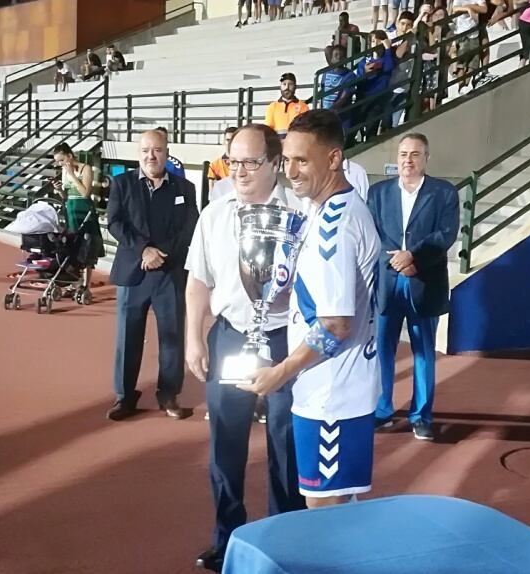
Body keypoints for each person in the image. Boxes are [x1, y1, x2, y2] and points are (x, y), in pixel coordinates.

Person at [241, 110, 381, 508]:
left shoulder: (334, 224)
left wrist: (279, 374)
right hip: (327, 390)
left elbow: (336, 324)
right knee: (334, 514)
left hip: (332, 397)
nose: (291, 170)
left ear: (334, 159)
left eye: (303, 160)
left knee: (326, 519)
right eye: (287, 159)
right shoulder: (323, 211)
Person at [186, 124, 306, 573]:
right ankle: (227, 537)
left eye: (250, 162)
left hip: (285, 337)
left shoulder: (301, 212)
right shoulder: (215, 214)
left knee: (286, 439)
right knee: (225, 443)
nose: (239, 170)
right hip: (231, 334)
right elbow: (198, 281)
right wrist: (195, 337)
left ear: (275, 164)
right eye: (233, 161)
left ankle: (284, 538)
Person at [365, 133, 459, 441]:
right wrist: (394, 260)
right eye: (404, 154)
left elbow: (446, 234)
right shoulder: (378, 193)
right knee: (383, 352)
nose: (408, 159)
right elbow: (371, 234)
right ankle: (382, 410)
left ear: (426, 158)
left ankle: (421, 415)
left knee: (423, 353)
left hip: (423, 281)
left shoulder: (444, 193)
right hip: (386, 284)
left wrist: (413, 258)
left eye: (415, 154)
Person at [106, 130, 199, 421]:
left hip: (169, 273)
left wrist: (162, 254)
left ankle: (169, 396)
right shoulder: (122, 184)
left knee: (172, 338)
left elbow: (189, 227)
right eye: (146, 150)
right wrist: (143, 251)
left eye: (157, 150)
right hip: (134, 272)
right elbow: (114, 222)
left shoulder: (185, 188)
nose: (151, 156)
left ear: (166, 152)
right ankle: (124, 398)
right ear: (138, 153)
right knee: (128, 337)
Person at [51, 143, 105, 291]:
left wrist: (72, 175)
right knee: (72, 246)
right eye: (58, 161)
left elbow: (85, 193)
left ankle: (85, 285)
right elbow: (66, 195)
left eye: (61, 160)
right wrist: (59, 190)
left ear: (69, 156)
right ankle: (74, 281)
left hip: (85, 210)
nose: (60, 164)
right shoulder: (64, 170)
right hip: (71, 210)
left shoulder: (86, 168)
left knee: (87, 247)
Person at [354, 30, 397, 141]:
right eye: (373, 41)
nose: (376, 44)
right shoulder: (365, 60)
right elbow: (358, 77)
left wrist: (388, 49)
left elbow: (389, 67)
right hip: (364, 97)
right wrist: (364, 72)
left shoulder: (387, 57)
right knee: (355, 124)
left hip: (379, 98)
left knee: (374, 125)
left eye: (379, 41)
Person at [264, 73, 310, 138]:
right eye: (284, 84)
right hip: (278, 144)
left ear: (295, 87)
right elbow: (268, 130)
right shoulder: (272, 107)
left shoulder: (303, 107)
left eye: (290, 84)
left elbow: (305, 130)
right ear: (280, 86)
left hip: (295, 144)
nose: (287, 88)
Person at [207, 127, 237, 194]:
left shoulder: (246, 163)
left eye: (233, 140)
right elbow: (212, 195)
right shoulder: (214, 165)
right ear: (224, 142)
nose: (230, 143)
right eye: (228, 140)